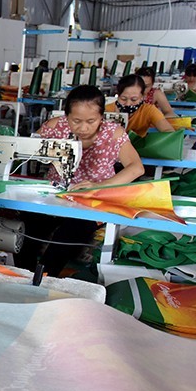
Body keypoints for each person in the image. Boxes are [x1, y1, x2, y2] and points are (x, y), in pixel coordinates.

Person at [14, 85, 144, 277]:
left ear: (102, 116)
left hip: (93, 201)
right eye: (76, 121)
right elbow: (24, 149)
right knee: (29, 225)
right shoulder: (55, 128)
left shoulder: (113, 134)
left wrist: (100, 185)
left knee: (71, 232)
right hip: (55, 195)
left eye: (91, 121)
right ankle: (22, 276)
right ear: (66, 116)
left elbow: (136, 167)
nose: (83, 128)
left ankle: (43, 279)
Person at [105, 74, 175, 136]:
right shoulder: (107, 110)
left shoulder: (148, 110)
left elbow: (169, 131)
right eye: (123, 99)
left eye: (134, 99)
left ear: (142, 97)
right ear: (118, 95)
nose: (128, 104)